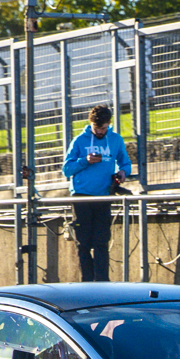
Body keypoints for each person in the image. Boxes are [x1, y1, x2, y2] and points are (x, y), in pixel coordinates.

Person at [61, 105, 132, 282]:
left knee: (101, 241)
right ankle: (87, 280)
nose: (100, 132)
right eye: (96, 128)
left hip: (103, 195)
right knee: (83, 242)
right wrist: (85, 161)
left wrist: (123, 172)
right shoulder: (79, 141)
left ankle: (102, 281)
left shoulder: (115, 140)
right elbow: (67, 169)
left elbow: (126, 163)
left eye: (103, 128)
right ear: (90, 124)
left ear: (108, 124)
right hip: (81, 195)